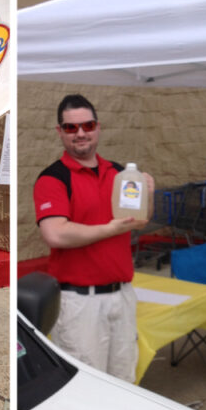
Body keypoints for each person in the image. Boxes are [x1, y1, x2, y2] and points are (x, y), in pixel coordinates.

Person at [32, 94, 155, 382]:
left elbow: (140, 219)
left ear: (98, 127)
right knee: (86, 386)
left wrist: (149, 192)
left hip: (122, 296)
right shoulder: (53, 178)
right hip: (79, 304)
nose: (81, 133)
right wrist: (110, 229)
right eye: (71, 127)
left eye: (87, 125)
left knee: (125, 381)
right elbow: (55, 233)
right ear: (60, 131)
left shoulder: (118, 172)